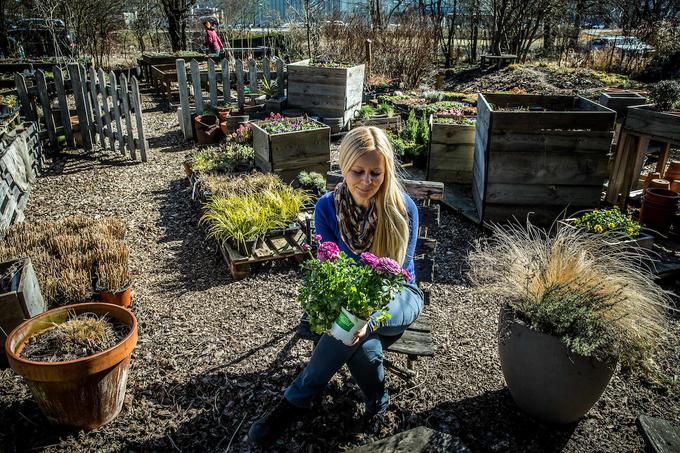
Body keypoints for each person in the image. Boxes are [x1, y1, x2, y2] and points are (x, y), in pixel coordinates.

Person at [248, 126, 424, 447]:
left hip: (398, 296)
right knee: (361, 352)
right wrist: (346, 314)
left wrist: (368, 318)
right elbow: (332, 272)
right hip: (351, 299)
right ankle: (378, 404)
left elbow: (397, 277)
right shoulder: (327, 208)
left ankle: (291, 404)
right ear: (344, 167)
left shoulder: (402, 209)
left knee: (351, 329)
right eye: (358, 171)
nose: (367, 181)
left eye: (376, 173)